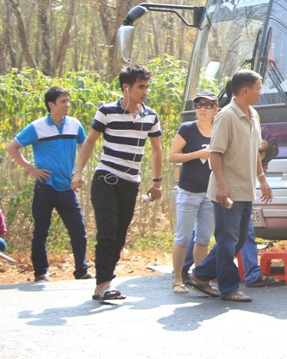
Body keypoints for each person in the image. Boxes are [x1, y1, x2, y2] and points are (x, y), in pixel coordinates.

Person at [71, 65, 163, 301]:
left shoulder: (150, 116)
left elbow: (156, 150)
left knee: (120, 234)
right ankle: (103, 284)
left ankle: (106, 281)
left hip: (130, 182)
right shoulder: (107, 111)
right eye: (140, 87)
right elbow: (90, 142)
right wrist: (78, 172)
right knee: (108, 230)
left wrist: (156, 182)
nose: (145, 91)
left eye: (147, 87)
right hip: (106, 177)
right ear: (126, 87)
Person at [187, 70, 273, 302]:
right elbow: (215, 154)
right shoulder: (226, 116)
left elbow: (255, 150)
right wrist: (222, 187)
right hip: (227, 189)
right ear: (245, 90)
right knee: (227, 239)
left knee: (238, 239)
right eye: (258, 88)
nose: (260, 92)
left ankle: (201, 274)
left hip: (246, 188)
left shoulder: (253, 114)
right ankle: (229, 287)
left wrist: (262, 179)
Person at [6, 87, 92, 282]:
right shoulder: (37, 127)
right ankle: (41, 273)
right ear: (51, 105)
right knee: (41, 231)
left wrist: (79, 172)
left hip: (68, 187)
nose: (67, 105)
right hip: (46, 185)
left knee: (78, 230)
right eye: (63, 101)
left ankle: (82, 270)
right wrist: (30, 169)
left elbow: (85, 146)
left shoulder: (75, 125)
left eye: (68, 101)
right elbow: (12, 147)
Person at [168, 92, 218, 294]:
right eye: (199, 105)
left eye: (208, 105)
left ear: (216, 108)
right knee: (183, 237)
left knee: (204, 238)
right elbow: (173, 156)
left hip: (210, 193)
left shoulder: (220, 129)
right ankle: (178, 279)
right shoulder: (187, 129)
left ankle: (201, 278)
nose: (203, 109)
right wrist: (197, 154)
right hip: (188, 191)